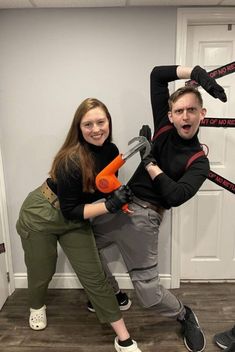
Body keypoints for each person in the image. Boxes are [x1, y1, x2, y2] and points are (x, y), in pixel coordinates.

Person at [89, 65, 227, 352]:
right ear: (170, 115)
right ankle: (115, 294)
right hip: (119, 204)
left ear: (202, 114)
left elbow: (175, 195)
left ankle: (184, 314)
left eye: (191, 110)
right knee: (82, 247)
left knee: (150, 296)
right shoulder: (163, 129)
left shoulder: (198, 161)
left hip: (145, 219)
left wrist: (149, 162)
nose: (185, 116)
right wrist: (198, 73)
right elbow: (156, 75)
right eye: (179, 111)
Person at [16, 97, 142, 352]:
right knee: (42, 270)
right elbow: (71, 209)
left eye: (101, 122)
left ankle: (124, 339)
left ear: (109, 122)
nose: (96, 129)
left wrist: (123, 196)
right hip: (42, 214)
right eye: (88, 124)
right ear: (79, 128)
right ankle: (36, 306)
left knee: (95, 276)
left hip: (76, 218)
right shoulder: (70, 159)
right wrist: (110, 205)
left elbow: (105, 185)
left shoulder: (110, 150)